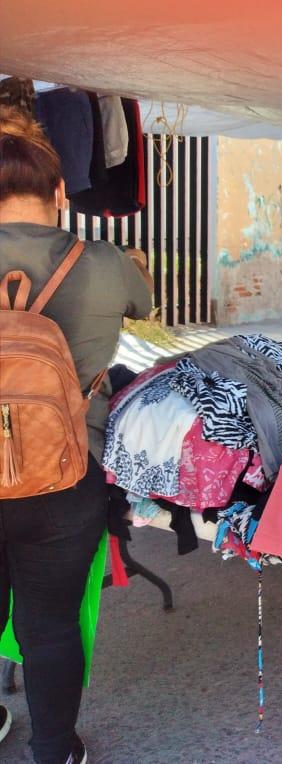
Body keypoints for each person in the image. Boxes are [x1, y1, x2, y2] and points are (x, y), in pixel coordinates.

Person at [0, 108, 152, 764]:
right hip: (63, 478)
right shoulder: (107, 262)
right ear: (61, 195)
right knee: (50, 626)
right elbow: (144, 307)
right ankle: (54, 751)